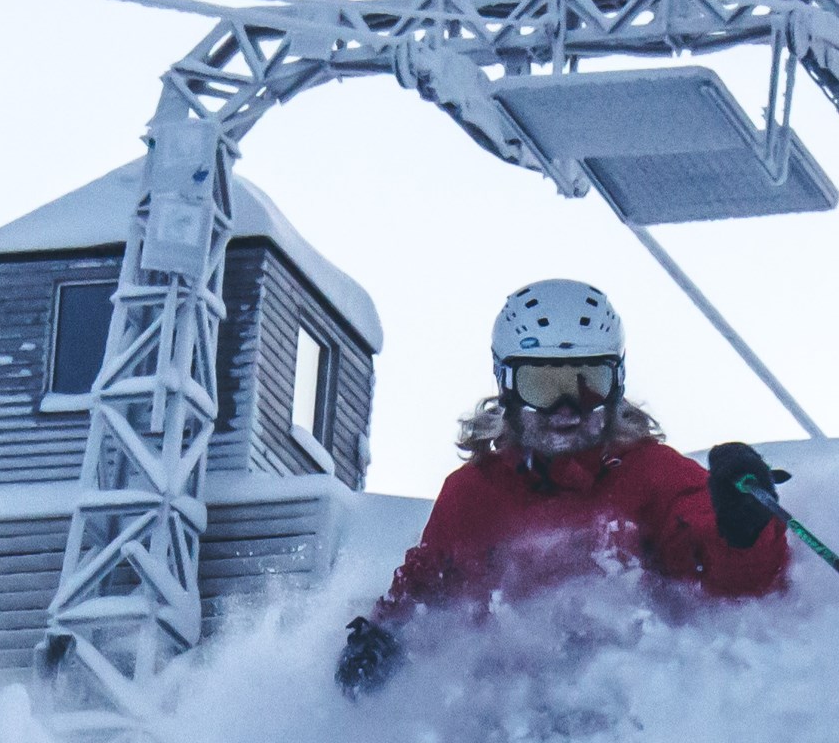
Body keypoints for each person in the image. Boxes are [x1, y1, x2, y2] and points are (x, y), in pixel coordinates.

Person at [335, 279, 789, 697]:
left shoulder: (653, 475)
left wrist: (743, 527)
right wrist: (384, 637)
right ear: (507, 384)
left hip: (629, 716)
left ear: (618, 383)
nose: (567, 408)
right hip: (499, 721)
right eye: (543, 385)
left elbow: (724, 580)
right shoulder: (473, 494)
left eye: (590, 383)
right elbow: (428, 586)